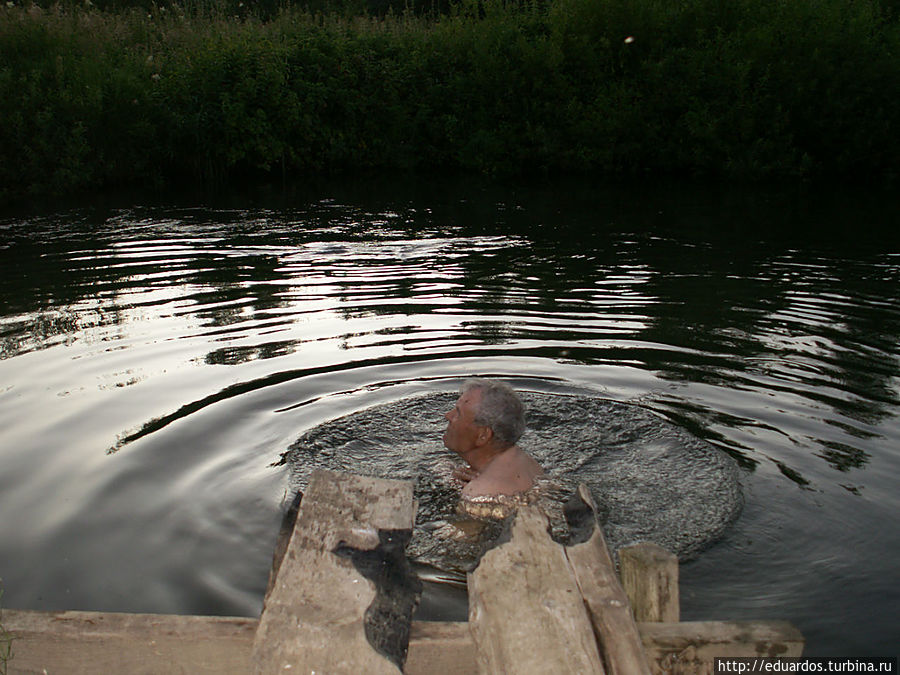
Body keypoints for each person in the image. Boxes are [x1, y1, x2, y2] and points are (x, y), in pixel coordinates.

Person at [443, 378, 543, 498]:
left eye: (458, 413)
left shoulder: (479, 494)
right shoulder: (524, 460)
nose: (447, 415)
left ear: (483, 435)